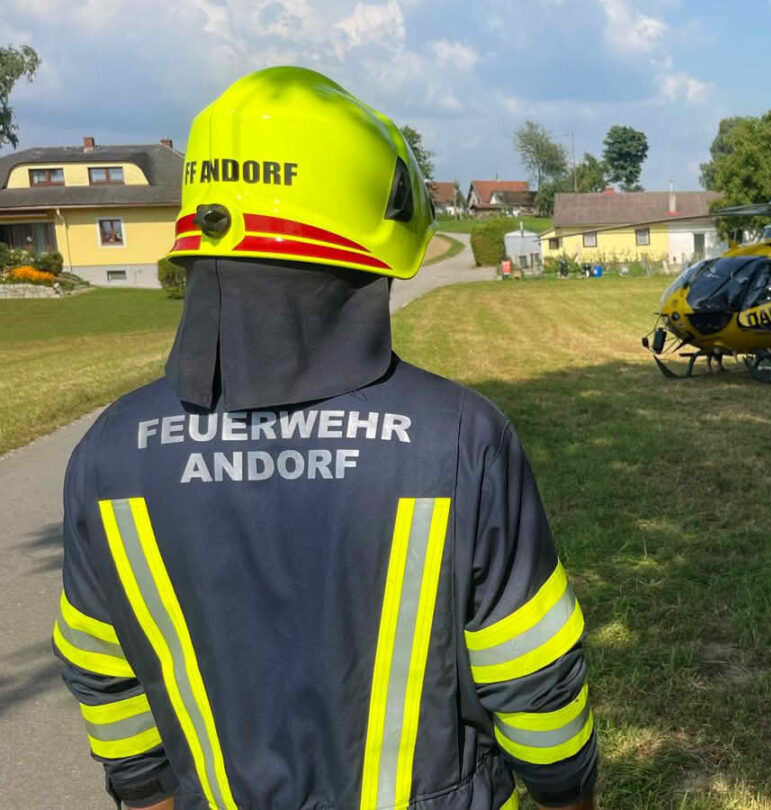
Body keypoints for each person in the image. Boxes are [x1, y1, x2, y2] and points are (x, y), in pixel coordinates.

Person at [51, 67, 596, 810]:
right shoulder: (459, 441)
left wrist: (148, 793)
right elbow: (532, 674)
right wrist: (568, 792)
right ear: (376, 227)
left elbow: (102, 672)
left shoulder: (107, 454)